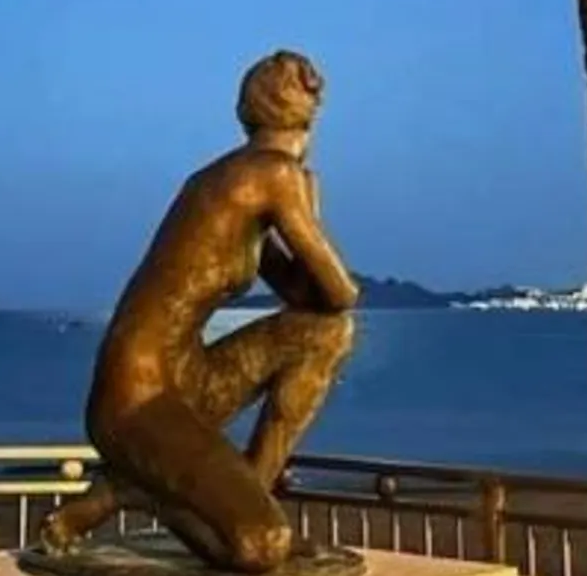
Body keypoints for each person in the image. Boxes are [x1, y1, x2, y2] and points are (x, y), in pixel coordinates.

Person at [38, 50, 360, 573]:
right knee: (262, 551)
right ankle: (144, 494)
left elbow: (312, 308)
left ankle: (242, 503)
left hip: (187, 379)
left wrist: (307, 201)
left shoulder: (239, 180)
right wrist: (303, 194)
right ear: (306, 111)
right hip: (136, 398)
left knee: (327, 334)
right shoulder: (270, 175)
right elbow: (342, 291)